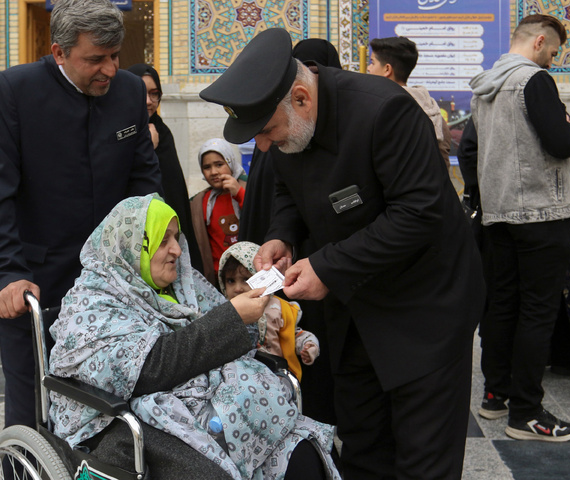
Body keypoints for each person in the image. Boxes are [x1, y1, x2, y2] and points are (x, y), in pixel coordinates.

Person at [200, 28, 484, 479]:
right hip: (354, 314)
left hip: (424, 311)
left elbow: (418, 212)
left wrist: (327, 266)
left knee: (422, 458)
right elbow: (288, 190)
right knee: (362, 448)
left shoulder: (384, 110)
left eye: (268, 131)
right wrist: (282, 236)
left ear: (301, 97)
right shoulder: (291, 125)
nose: (267, 147)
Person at [0, 0, 161, 430]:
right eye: (95, 59)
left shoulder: (129, 90)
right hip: (37, 282)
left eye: (115, 56)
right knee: (34, 405)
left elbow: (143, 180)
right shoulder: (12, 91)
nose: (110, 70)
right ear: (58, 52)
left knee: (114, 404)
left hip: (115, 282)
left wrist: (155, 247)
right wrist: (3, 274)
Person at [48, 194, 340, 480]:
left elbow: (239, 337)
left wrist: (250, 308)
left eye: (176, 238)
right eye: (163, 240)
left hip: (217, 406)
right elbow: (148, 370)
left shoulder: (186, 283)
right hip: (131, 419)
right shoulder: (95, 301)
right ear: (132, 246)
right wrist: (232, 317)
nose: (177, 249)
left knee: (305, 452)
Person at [469, 14, 570, 441]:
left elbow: (470, 149)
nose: (553, 59)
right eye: (553, 51)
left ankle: (496, 396)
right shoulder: (534, 81)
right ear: (538, 42)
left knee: (502, 305)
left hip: (499, 213)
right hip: (542, 211)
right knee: (537, 311)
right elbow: (560, 142)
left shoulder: (484, 87)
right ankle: (527, 414)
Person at [238, 38, 342, 425]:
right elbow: (282, 203)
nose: (265, 144)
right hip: (294, 270)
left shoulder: (324, 134)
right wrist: (281, 237)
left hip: (321, 273)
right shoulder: (279, 139)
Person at [126, 63, 203, 273]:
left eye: (154, 94)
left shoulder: (162, 132)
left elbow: (174, 191)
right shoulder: (119, 133)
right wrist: (146, 148)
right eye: (141, 93)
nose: (149, 102)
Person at [218, 241, 319, 380]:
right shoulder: (222, 311)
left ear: (261, 277)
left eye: (246, 280)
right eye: (230, 281)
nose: (237, 288)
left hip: (276, 376)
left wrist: (308, 346)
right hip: (239, 379)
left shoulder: (278, 308)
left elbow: (294, 334)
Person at [367, 36, 452, 166]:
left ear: (387, 70)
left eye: (372, 63)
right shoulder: (435, 114)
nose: (368, 68)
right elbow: (443, 164)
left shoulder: (378, 110)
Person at [190, 138, 246, 285]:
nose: (214, 172)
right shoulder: (202, 201)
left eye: (219, 164)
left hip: (249, 272)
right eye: (207, 167)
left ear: (231, 162)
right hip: (219, 277)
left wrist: (239, 193)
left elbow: (258, 216)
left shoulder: (248, 189)